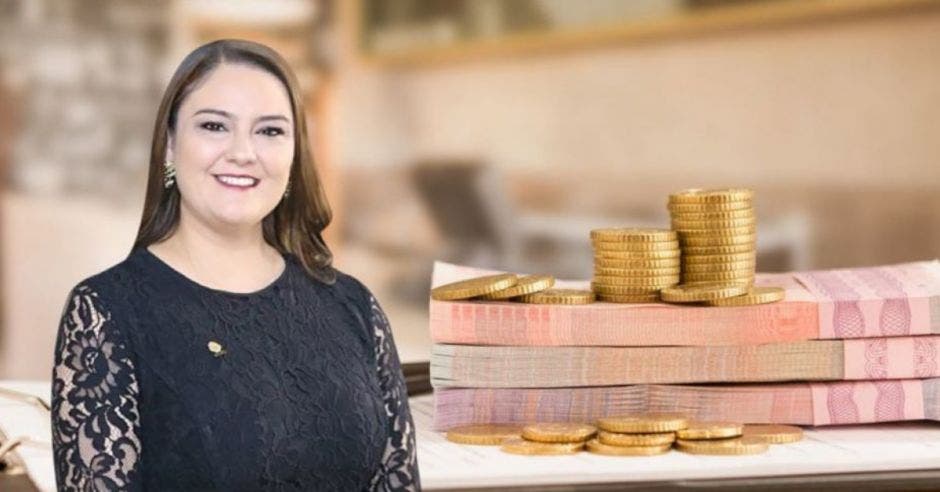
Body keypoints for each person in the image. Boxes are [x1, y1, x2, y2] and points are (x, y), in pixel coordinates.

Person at [50, 39, 420, 491]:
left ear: (294, 156)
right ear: (169, 146)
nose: (243, 152)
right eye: (214, 126)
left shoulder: (353, 306)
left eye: (270, 131)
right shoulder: (106, 312)